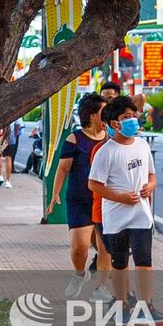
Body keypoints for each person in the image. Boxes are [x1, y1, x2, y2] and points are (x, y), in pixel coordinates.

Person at [88, 96, 163, 326]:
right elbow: (94, 184)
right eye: (126, 117)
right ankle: (121, 304)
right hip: (116, 217)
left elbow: (152, 175)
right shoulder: (106, 151)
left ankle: (146, 306)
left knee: (144, 259)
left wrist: (150, 186)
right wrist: (120, 197)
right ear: (114, 124)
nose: (132, 120)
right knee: (119, 261)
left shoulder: (142, 145)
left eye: (134, 116)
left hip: (141, 215)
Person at [47, 93, 110, 298]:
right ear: (92, 115)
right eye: (103, 112)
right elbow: (63, 169)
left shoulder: (111, 140)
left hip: (104, 201)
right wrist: (55, 194)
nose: (107, 116)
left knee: (105, 248)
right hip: (79, 199)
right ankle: (79, 274)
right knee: (79, 247)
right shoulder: (75, 138)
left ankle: (101, 288)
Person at [0, 119, 21, 189]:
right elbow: (18, 125)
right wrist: (14, 136)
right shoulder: (16, 111)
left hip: (0, 136)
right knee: (9, 158)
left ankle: (0, 176)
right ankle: (8, 181)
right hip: (11, 137)